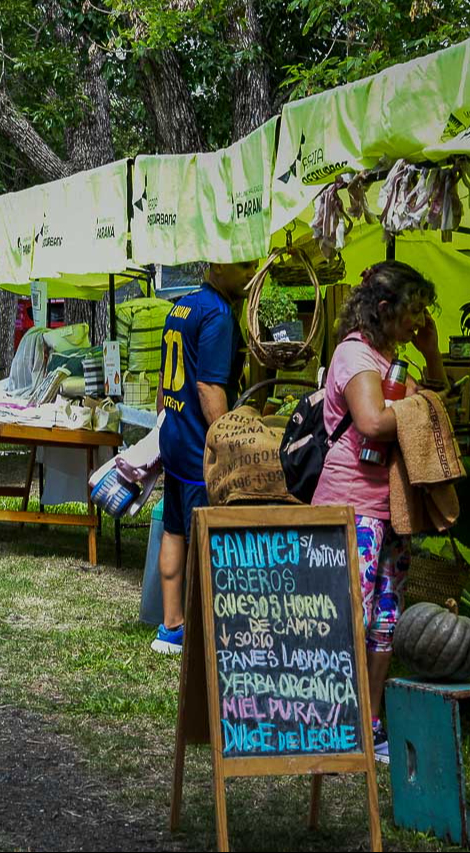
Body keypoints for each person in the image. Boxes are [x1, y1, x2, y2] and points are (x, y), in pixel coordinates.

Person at [312, 260, 445, 762]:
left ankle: (369, 723)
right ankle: (335, 718)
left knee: (385, 620)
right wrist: (424, 410)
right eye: (414, 310)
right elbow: (371, 421)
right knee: (350, 615)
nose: (419, 320)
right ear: (384, 309)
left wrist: (431, 354)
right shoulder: (355, 355)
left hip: (391, 511)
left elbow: (433, 401)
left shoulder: (395, 356)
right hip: (352, 507)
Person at [151, 259, 259, 655]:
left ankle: (171, 626)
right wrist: (231, 447)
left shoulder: (181, 305)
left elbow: (164, 381)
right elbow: (210, 389)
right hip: (200, 445)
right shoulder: (217, 313)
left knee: (175, 529)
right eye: (243, 265)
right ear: (216, 265)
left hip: (175, 437)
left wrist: (162, 422)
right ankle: (208, 630)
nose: (251, 273)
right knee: (207, 536)